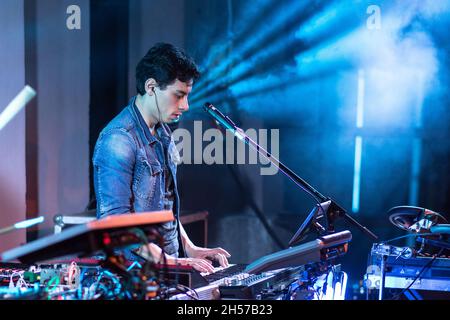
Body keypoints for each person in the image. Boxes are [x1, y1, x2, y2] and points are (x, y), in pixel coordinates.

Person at [92, 43, 230, 273]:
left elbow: (166, 206)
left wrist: (190, 248)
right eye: (179, 95)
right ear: (151, 87)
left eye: (187, 96)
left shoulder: (163, 132)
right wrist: (174, 262)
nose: (185, 106)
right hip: (135, 277)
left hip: (166, 270)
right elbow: (115, 226)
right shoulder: (118, 140)